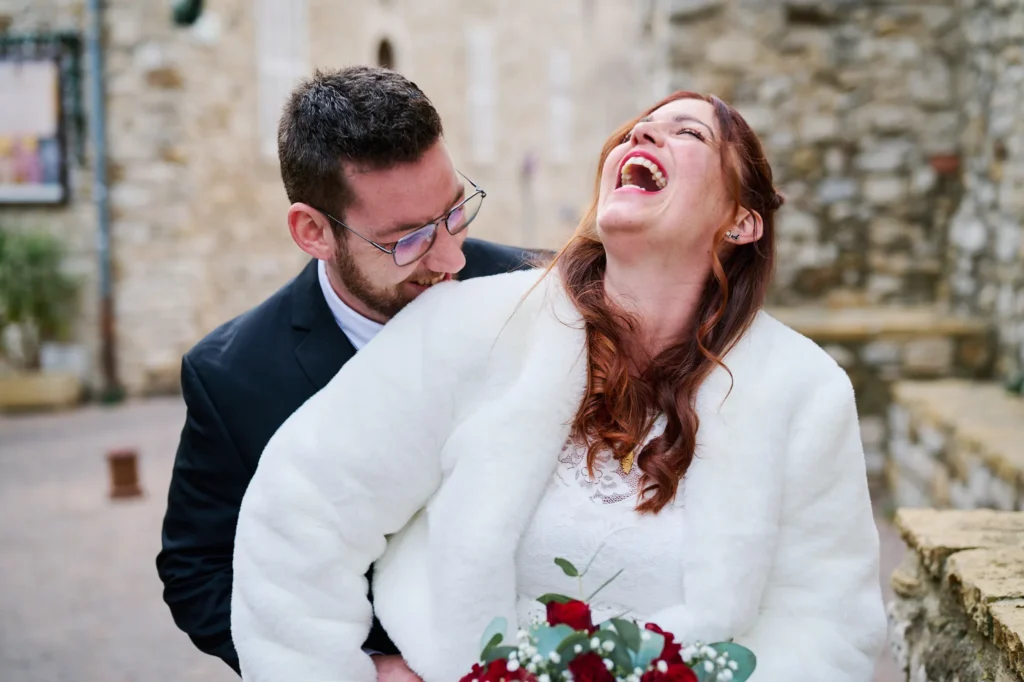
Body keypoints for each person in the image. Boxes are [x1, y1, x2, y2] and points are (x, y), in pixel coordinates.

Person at [230, 91, 888, 682]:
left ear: (742, 222)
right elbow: (302, 512)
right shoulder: (466, 325)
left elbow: (827, 622)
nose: (643, 136)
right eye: (637, 127)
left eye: (689, 133)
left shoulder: (805, 391)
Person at [155, 66, 537, 679]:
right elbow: (199, 569)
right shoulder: (230, 375)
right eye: (408, 239)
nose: (451, 257)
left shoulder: (538, 292)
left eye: (455, 212)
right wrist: (361, 667)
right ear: (314, 232)